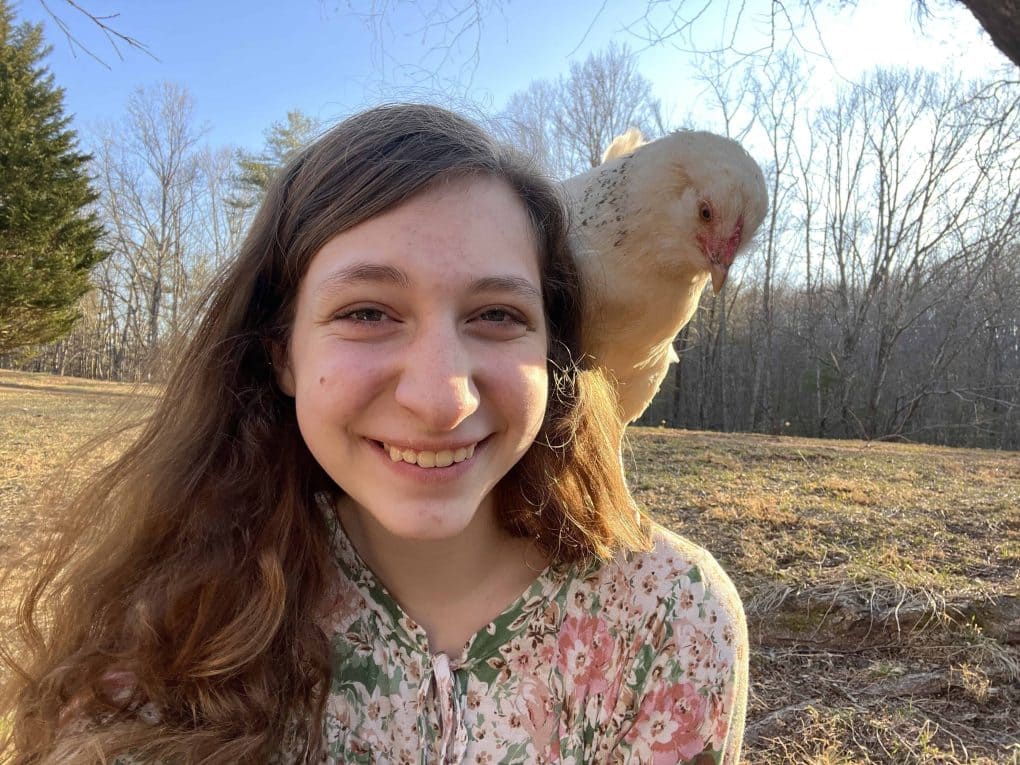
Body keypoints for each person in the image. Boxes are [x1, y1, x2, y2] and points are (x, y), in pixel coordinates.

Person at [1, 103, 748, 764]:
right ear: (280, 349)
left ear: (554, 354)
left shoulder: (670, 622)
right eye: (367, 312)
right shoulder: (170, 627)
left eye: (496, 315)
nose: (439, 399)